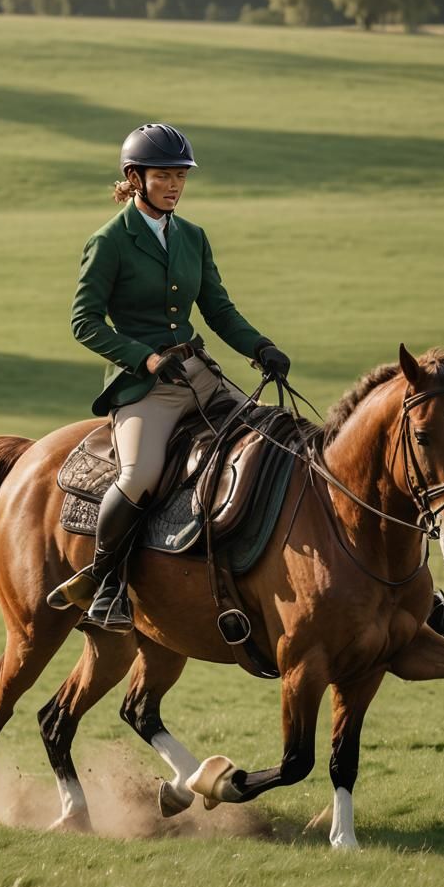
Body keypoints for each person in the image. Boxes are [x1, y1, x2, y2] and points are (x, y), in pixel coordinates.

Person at [46, 123, 290, 633]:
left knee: (275, 438)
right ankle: (106, 584)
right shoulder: (109, 241)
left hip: (199, 373)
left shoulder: (192, 237)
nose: (175, 185)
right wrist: (147, 360)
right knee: (138, 476)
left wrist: (260, 346)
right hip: (145, 387)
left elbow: (219, 309)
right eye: (164, 176)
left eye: (180, 176)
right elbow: (83, 321)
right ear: (135, 178)